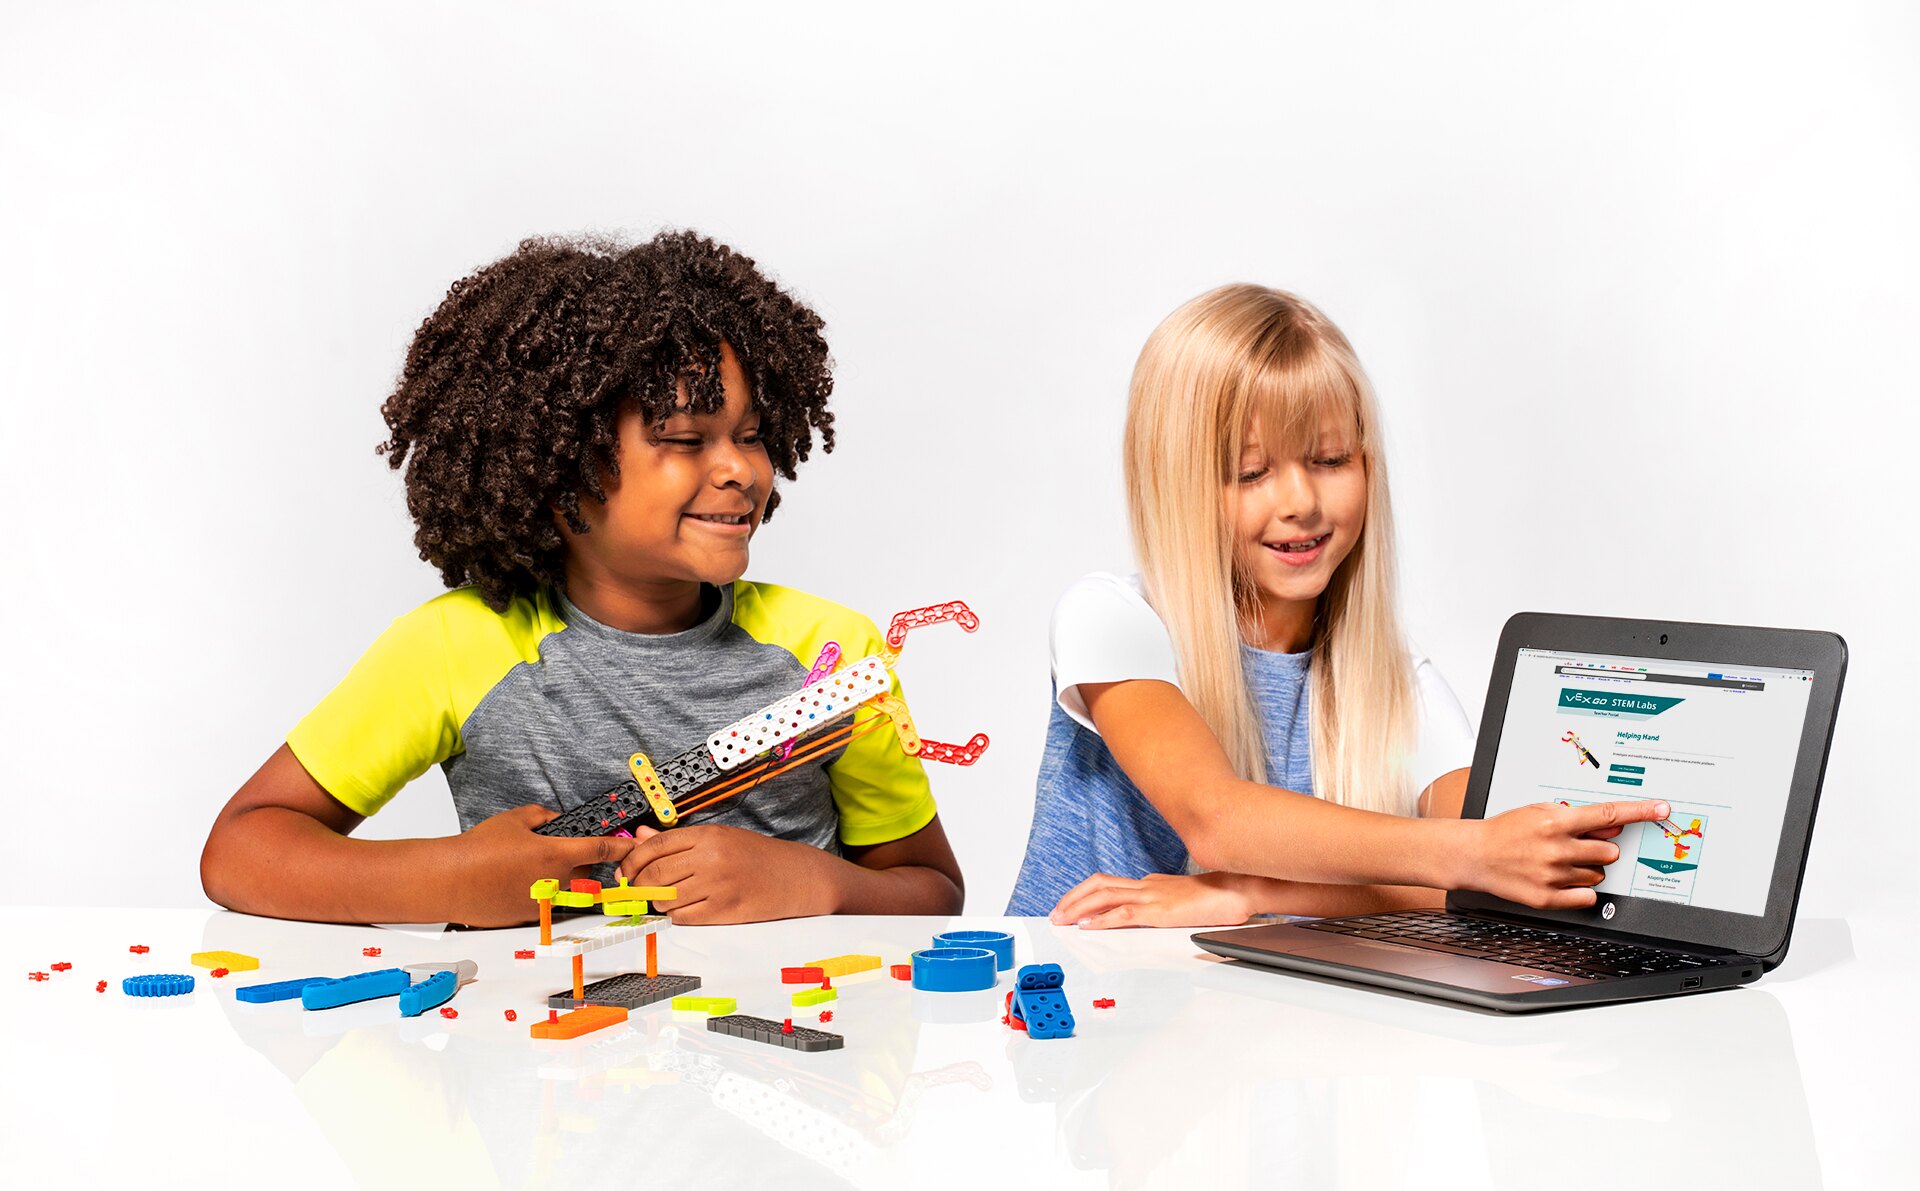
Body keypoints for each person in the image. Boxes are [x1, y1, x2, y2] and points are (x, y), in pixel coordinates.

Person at [201, 231, 964, 927]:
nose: (740, 469)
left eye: (752, 435)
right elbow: (239, 851)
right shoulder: (454, 646)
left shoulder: (833, 650)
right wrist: (452, 877)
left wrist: (813, 881)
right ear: (559, 467)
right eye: (684, 438)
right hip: (533, 1061)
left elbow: (930, 889)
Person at [1006, 284, 1666, 926]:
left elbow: (1502, 884)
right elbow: (1216, 821)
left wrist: (1254, 893)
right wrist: (1470, 857)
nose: (1300, 501)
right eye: (1251, 472)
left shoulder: (1400, 688)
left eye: (1328, 458)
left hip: (1235, 1023)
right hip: (1073, 1004)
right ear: (1174, 486)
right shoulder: (1111, 619)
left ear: (1368, 469)